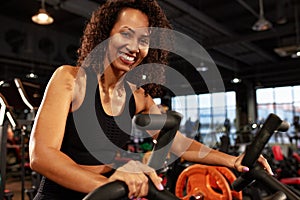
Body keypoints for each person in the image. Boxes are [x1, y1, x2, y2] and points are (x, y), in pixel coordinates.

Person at [29, 0, 273, 199]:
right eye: (126, 34)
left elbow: (177, 143)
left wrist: (233, 160)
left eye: (143, 40)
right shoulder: (70, 79)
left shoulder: (138, 96)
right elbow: (41, 155)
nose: (134, 47)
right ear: (105, 35)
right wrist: (108, 183)